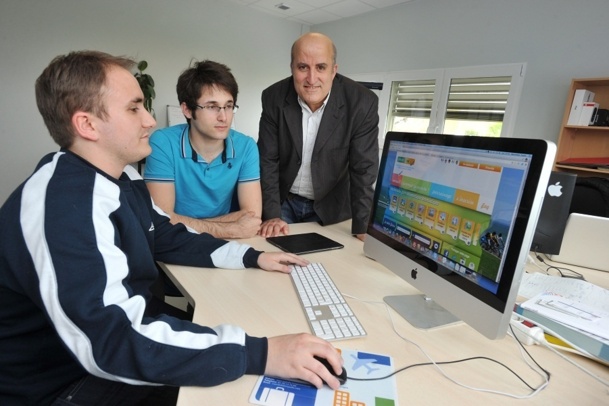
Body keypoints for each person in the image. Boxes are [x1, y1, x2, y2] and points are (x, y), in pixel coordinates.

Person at [0, 51, 344, 405]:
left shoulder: (123, 178)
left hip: (105, 349)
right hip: (62, 385)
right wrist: (263, 354)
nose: (150, 120)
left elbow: (165, 233)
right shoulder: (62, 205)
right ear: (87, 125)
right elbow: (113, 343)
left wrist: (253, 257)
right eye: (134, 108)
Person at [258, 32, 380, 241]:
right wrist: (271, 215)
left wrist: (362, 227)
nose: (311, 79)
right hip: (283, 202)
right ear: (292, 68)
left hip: (333, 207)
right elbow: (267, 160)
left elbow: (364, 169)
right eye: (303, 67)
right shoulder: (273, 97)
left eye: (321, 67)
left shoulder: (362, 102)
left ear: (334, 71)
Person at [144, 60, 261, 239]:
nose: (223, 117)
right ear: (188, 110)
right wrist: (231, 228)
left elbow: (252, 216)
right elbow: (162, 220)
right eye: (212, 107)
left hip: (224, 245)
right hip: (176, 242)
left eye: (228, 106)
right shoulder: (163, 142)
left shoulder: (246, 146)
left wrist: (190, 224)